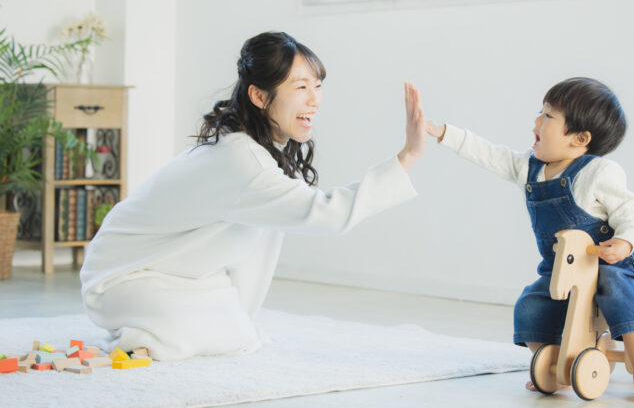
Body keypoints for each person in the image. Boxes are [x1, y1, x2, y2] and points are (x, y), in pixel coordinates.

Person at [80, 31, 427, 361]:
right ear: (260, 96)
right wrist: (407, 157)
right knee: (234, 335)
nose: (314, 100)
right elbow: (325, 213)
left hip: (170, 275)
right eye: (301, 87)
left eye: (317, 87)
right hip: (118, 279)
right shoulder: (240, 160)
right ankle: (139, 337)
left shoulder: (252, 154)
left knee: (238, 329)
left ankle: (168, 326)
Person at [425, 77, 634, 403]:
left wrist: (624, 243)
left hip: (606, 264)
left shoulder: (598, 172)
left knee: (623, 299)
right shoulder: (531, 168)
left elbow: (629, 214)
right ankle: (551, 363)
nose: (537, 121)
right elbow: (489, 154)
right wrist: (443, 133)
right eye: (541, 112)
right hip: (560, 268)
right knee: (531, 305)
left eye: (549, 117)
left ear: (580, 138)